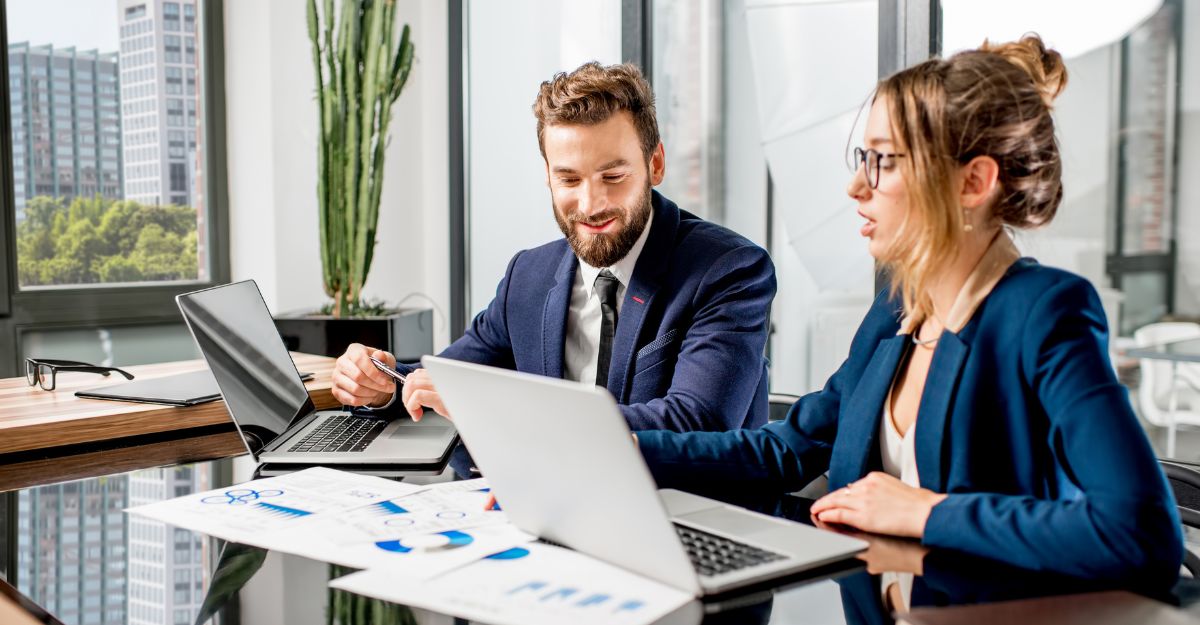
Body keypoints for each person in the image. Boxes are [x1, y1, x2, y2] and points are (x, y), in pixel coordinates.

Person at [634, 35, 1183, 592]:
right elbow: (785, 452)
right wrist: (627, 447)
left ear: (973, 182)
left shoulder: (1044, 314)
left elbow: (1141, 534)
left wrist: (923, 512)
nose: (855, 187)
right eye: (861, 159)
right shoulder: (897, 308)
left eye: (883, 162)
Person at [331, 62, 777, 475]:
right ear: (547, 174)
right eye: (569, 178)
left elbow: (696, 423)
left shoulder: (730, 270)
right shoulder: (529, 275)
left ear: (654, 164)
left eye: (613, 176)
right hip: (546, 510)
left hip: (687, 518)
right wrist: (383, 383)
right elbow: (453, 381)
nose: (590, 204)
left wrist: (495, 411)